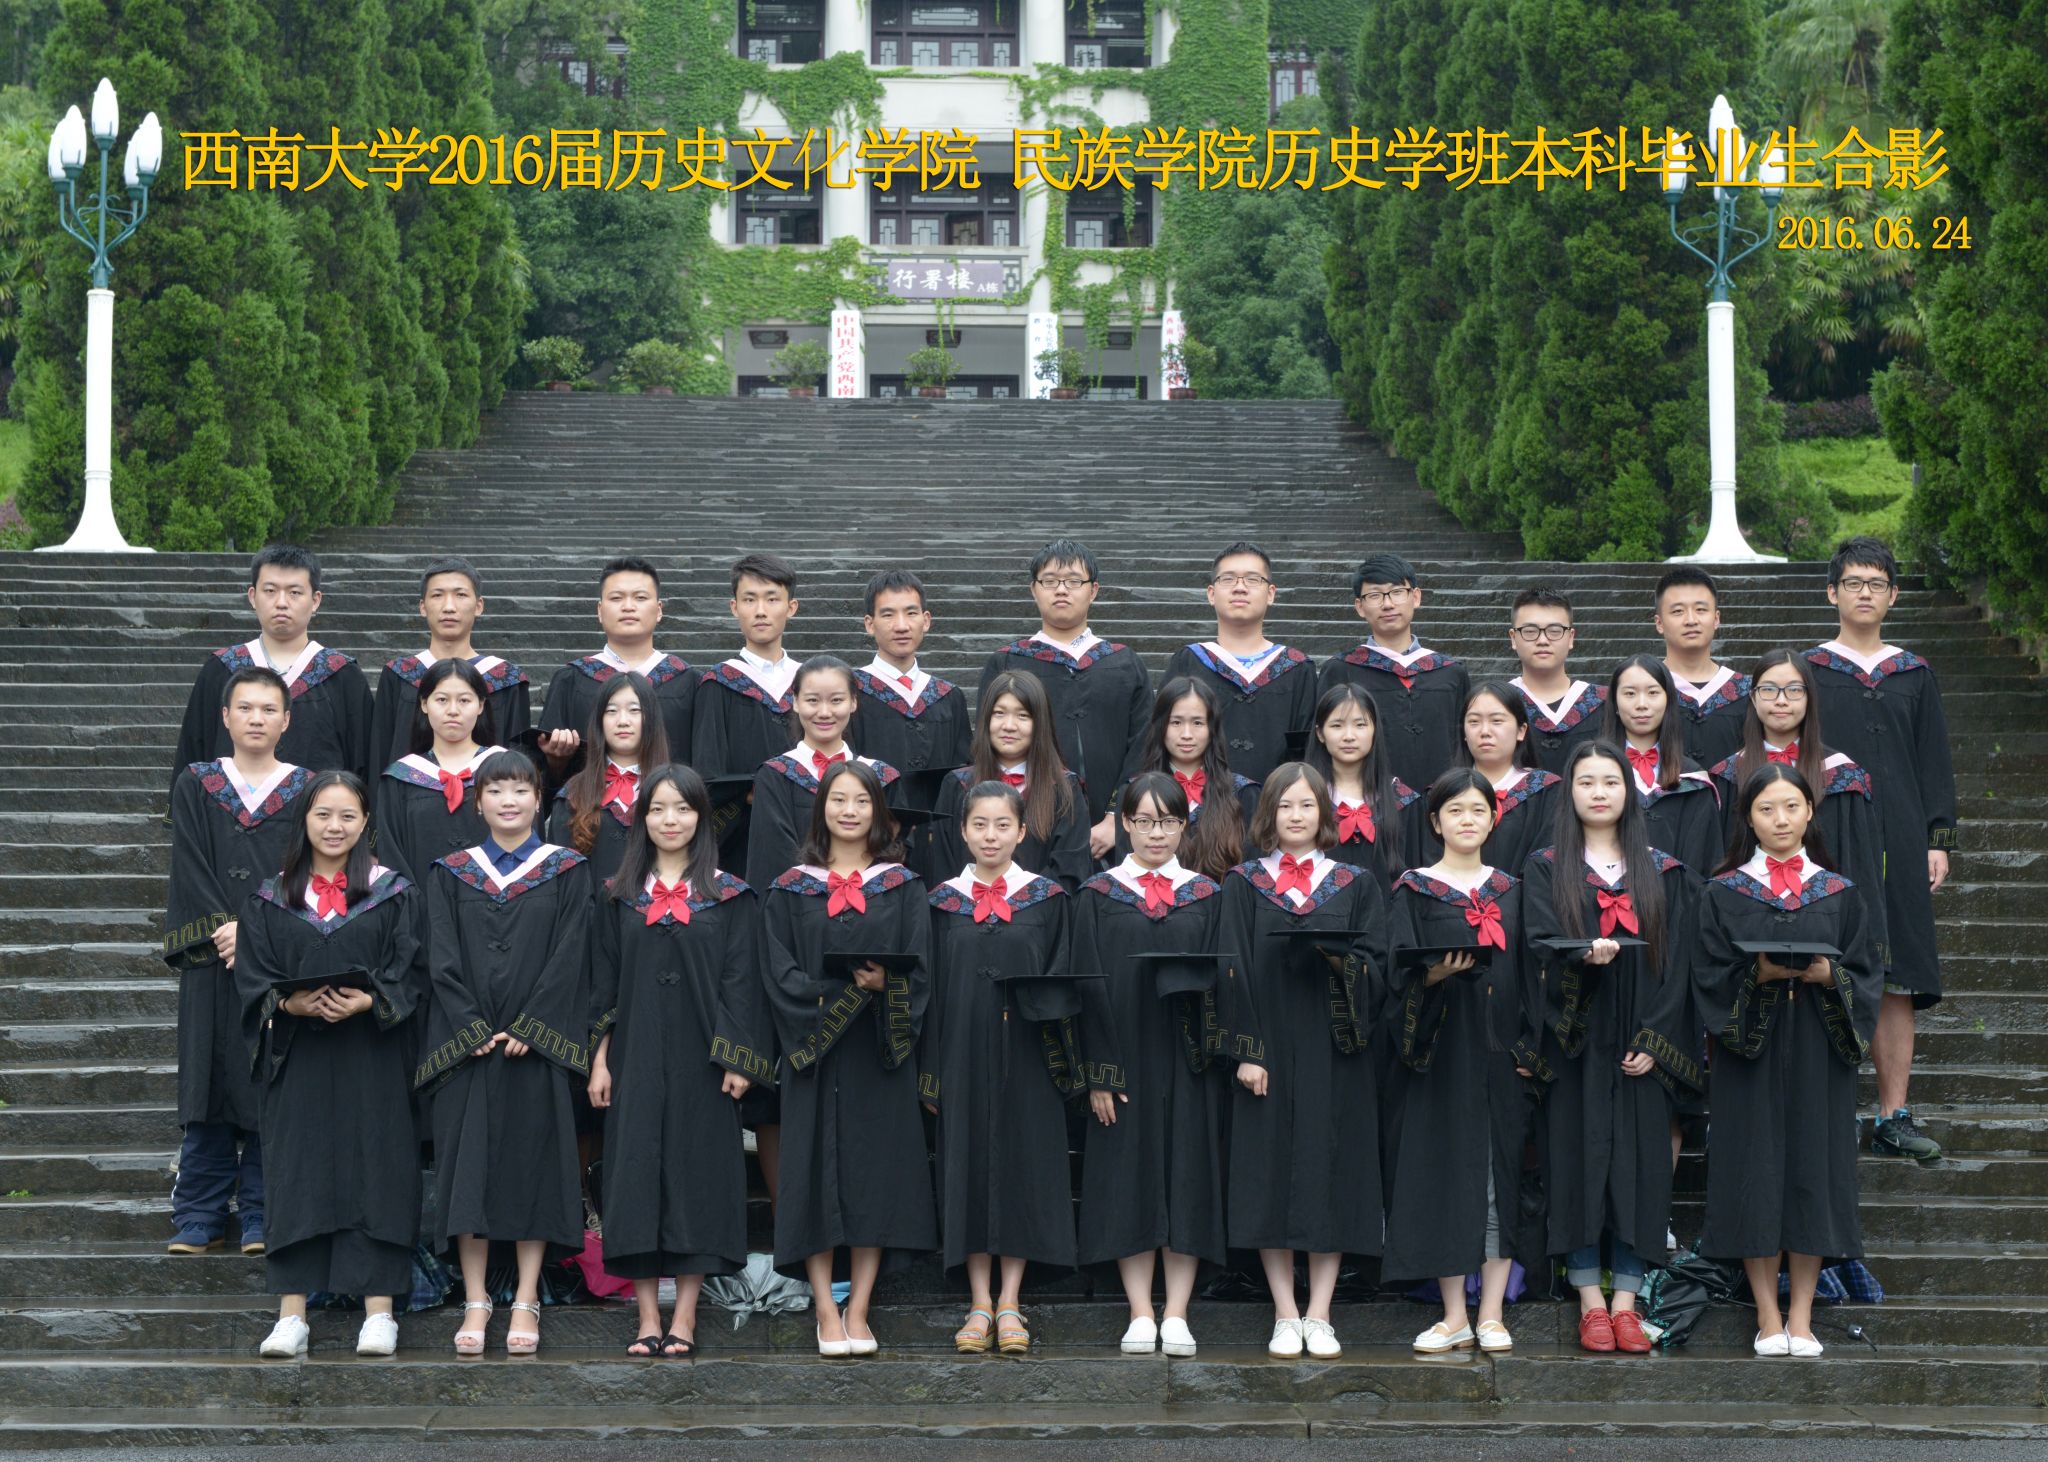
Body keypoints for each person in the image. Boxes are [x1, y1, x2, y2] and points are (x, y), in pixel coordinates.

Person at [587, 765, 775, 1358]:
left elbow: (742, 980)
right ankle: (647, 1317)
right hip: (635, 1055)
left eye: (683, 808)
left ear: (701, 817)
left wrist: (738, 1058)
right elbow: (601, 984)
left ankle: (686, 1316)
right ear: (642, 818)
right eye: (658, 809)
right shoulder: (617, 896)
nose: (671, 820)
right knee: (635, 1175)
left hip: (705, 1059)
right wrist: (599, 1060)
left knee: (699, 1176)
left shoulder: (730, 895)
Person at [234, 771, 421, 1358]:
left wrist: (371, 1000)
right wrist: (290, 1003)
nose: (334, 827)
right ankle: (292, 1315)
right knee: (298, 1172)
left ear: (365, 823)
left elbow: (411, 969)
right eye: (323, 815)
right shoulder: (271, 897)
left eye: (347, 816)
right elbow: (253, 977)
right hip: (301, 1059)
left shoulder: (393, 892)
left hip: (373, 1058)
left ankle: (379, 1314)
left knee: (378, 1169)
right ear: (304, 821)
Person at [1695, 764, 1880, 1357]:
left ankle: (1802, 1316)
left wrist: (1831, 976)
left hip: (1820, 1054)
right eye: (1767, 809)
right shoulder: (1723, 892)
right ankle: (1767, 1315)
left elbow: (1867, 974)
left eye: (1792, 806)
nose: (1781, 819)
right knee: (1753, 1171)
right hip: (1750, 1056)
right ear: (1748, 819)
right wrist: (1758, 973)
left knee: (1813, 1173)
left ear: (1810, 812)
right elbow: (1707, 974)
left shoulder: (1839, 892)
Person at [1523, 742, 1701, 1354]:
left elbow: (1679, 965)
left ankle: (1626, 1303)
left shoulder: (1664, 872)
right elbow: (1538, 946)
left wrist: (1656, 1040)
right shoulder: (1547, 868)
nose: (1598, 792)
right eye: (1586, 782)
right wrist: (1582, 958)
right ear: (1568, 793)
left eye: (1610, 781)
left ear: (1629, 791)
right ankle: (1590, 1304)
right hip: (1576, 1042)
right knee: (1576, 1164)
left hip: (1640, 1046)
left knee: (1639, 1171)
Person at [416, 750, 592, 1357]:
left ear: (539, 800)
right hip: (468, 1049)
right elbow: (440, 955)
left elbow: (572, 953)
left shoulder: (566, 870)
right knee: (468, 1171)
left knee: (532, 1169)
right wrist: (471, 1026)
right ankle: (475, 1298)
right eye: (496, 790)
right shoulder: (451, 873)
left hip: (533, 1050)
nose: (508, 800)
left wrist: (533, 1026)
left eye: (520, 789)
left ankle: (525, 1296)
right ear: (478, 802)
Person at [1213, 763, 1390, 1361]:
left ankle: (1321, 1313)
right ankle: (1285, 1312)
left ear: (1324, 814)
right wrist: (1247, 1051)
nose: (1296, 815)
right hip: (1267, 1054)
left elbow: (1378, 965)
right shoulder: (1244, 884)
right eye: (1285, 805)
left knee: (1329, 1170)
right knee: (1269, 1175)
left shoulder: (1355, 884)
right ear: (1269, 813)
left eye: (1307, 805)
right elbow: (1231, 968)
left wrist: (1341, 961)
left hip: (1334, 1051)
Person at [762, 762, 937, 1357]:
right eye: (838, 799)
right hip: (812, 1055)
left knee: (875, 1177)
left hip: (878, 1055)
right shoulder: (790, 888)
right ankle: (823, 1308)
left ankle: (858, 1307)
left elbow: (921, 968)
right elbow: (778, 974)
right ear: (822, 809)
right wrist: (843, 996)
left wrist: (886, 985)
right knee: (811, 1174)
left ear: (877, 812)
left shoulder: (902, 887)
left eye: (862, 801)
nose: (850, 811)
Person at [1803, 536, 1956, 1163]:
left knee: (1899, 975)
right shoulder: (1809, 672)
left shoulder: (1913, 674)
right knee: (1825, 964)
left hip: (1900, 835)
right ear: (1832, 592)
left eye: (1876, 584)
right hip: (1828, 837)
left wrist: (1937, 839)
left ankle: (1894, 1115)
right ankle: (1825, 1111)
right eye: (1853, 583)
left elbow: (1934, 761)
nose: (1864, 593)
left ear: (1893, 596)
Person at [1383, 769, 1545, 1356]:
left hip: (1500, 1056)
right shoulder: (1414, 889)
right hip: (1440, 1056)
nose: (1467, 820)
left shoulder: (1513, 890)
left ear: (1494, 819)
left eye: (1478, 810)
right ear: (1435, 821)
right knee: (1445, 1178)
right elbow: (1393, 974)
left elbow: (1534, 975)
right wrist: (1432, 977)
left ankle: (1493, 1313)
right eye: (1455, 811)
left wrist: (1529, 1050)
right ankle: (1454, 1313)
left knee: (1500, 1178)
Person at [922, 781, 1087, 1356]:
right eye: (979, 825)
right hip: (961, 1056)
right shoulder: (940, 903)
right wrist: (930, 1073)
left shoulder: (1047, 899)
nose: (990, 836)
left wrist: (1063, 1065)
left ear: (1021, 832)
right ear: (962, 831)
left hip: (1029, 1059)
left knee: (1022, 1168)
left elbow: (1064, 981)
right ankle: (978, 1302)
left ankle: (1011, 1300)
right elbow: (927, 992)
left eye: (1002, 825)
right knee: (966, 1168)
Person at [1073, 772, 1228, 1357]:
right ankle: (1140, 1310)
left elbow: (1224, 982)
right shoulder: (1097, 895)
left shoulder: (1207, 895)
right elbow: (1085, 987)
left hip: (1189, 1060)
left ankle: (1178, 1312)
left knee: (1187, 1175)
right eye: (1143, 821)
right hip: (1124, 1060)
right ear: (1124, 824)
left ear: (1184, 826)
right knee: (1127, 1178)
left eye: (1167, 821)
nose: (1155, 833)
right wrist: (1100, 1073)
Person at [162, 666, 312, 1257]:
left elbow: (308, 867)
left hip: (274, 959)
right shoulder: (196, 783)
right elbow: (189, 863)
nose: (256, 718)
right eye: (245, 708)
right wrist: (224, 929)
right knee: (207, 1077)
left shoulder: (306, 789)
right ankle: (199, 1211)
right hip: (210, 957)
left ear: (286, 721)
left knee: (269, 1075)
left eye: (268, 709)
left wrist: (258, 930)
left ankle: (261, 1210)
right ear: (224, 717)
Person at [1707, 650, 1887, 961]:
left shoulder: (1843, 776)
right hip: (1745, 933)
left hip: (1827, 932)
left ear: (1809, 698)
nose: (1781, 700)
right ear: (1752, 698)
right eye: (1769, 689)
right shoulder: (1727, 776)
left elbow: (1860, 868)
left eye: (1794, 690)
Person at [977, 538, 1151, 858]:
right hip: (1030, 830)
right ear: (1033, 590)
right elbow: (988, 747)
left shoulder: (1124, 664)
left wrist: (1116, 817)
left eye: (1073, 581)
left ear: (1093, 590)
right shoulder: (1007, 663)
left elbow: (1143, 746)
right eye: (1050, 581)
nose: (1061, 590)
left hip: (1114, 839)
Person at [172, 544, 372, 799]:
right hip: (225, 819)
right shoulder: (221, 670)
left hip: (318, 819)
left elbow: (364, 763)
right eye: (270, 591)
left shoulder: (342, 676)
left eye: (294, 592)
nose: (281, 603)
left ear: (315, 600)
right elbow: (192, 752)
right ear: (252, 596)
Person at [535, 557, 695, 791]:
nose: (628, 606)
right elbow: (540, 775)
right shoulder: (570, 679)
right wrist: (555, 762)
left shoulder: (688, 681)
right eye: (617, 598)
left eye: (640, 598)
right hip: (588, 809)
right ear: (600, 611)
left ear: (659, 610)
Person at [1162, 542, 1317, 783]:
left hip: (1279, 801)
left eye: (1253, 579)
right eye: (1228, 579)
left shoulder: (1297, 668)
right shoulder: (1188, 661)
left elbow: (1307, 751)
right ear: (1211, 594)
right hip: (1201, 800)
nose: (1240, 588)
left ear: (1271, 594)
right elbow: (1162, 738)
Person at [747, 655, 901, 893]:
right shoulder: (776, 775)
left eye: (836, 700)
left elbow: (892, 854)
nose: (825, 712)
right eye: (812, 700)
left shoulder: (882, 777)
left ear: (853, 702)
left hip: (873, 906)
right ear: (795, 702)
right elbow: (772, 856)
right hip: (798, 905)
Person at [1318, 552, 1469, 793]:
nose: (1387, 604)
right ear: (1360, 607)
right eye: (1375, 595)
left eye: (1397, 592)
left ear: (1415, 597)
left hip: (1444, 802)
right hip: (1369, 802)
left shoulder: (1451, 673)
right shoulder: (1340, 671)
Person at [929, 671, 1091, 891]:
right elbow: (942, 865)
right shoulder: (957, 785)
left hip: (1043, 909)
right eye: (999, 713)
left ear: (1040, 723)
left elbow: (1070, 869)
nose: (1009, 725)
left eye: (1023, 716)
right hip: (966, 908)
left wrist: (1022, 903)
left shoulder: (1064, 788)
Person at [692, 553, 804, 863]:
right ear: (734, 607)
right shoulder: (719, 683)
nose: (760, 611)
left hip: (811, 829)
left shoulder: (809, 682)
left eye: (772, 599)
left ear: (791, 607)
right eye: (749, 599)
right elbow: (707, 773)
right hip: (743, 839)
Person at [368, 557, 530, 770]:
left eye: (460, 595)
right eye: (437, 595)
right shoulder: (399, 675)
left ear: (479, 606)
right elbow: (379, 756)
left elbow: (520, 765)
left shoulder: (506, 679)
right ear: (423, 607)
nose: (449, 607)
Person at [1112, 677, 1258, 881]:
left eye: (1197, 723)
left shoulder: (1243, 793)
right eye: (1176, 722)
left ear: (1212, 728)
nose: (1187, 734)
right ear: (1160, 726)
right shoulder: (1133, 792)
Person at [372, 658, 504, 884]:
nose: (453, 710)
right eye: (442, 700)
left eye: (464, 700)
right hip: (419, 902)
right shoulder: (401, 778)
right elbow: (392, 856)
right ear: (424, 704)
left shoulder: (506, 771)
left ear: (481, 705)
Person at [546, 671, 672, 896]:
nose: (623, 721)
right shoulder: (573, 795)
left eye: (634, 710)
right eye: (611, 711)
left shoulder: (675, 791)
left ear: (651, 719)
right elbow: (561, 879)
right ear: (599, 721)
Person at [1602, 655, 1723, 873]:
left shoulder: (1693, 779)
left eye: (1653, 693)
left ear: (1668, 701)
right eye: (1630, 693)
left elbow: (1704, 860)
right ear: (1615, 703)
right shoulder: (1594, 775)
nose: (1641, 704)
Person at [849, 568, 972, 778]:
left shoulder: (948, 697)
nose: (901, 626)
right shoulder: (850, 691)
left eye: (911, 613)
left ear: (926, 620)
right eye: (888, 614)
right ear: (869, 624)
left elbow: (964, 771)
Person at [1305, 682, 1421, 888]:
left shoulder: (1402, 800)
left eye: (1360, 725)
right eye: (1337, 725)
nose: (1349, 736)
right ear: (1320, 733)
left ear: (1375, 730)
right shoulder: (1305, 798)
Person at [1450, 681, 1561, 875]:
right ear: (1464, 733)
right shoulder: (1443, 795)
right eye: (1474, 722)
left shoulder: (1546, 791)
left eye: (1497, 721)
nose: (1485, 731)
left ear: (1521, 731)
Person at [1654, 567, 1751, 768]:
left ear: (1716, 619)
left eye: (1701, 609)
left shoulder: (1746, 692)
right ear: (1659, 623)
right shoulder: (1643, 690)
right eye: (1678, 611)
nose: (1691, 620)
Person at [1508, 587, 1607, 774]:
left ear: (1571, 637)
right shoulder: (1500, 704)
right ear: (1513, 638)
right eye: (1530, 631)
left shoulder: (1603, 703)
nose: (1543, 640)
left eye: (1554, 631)